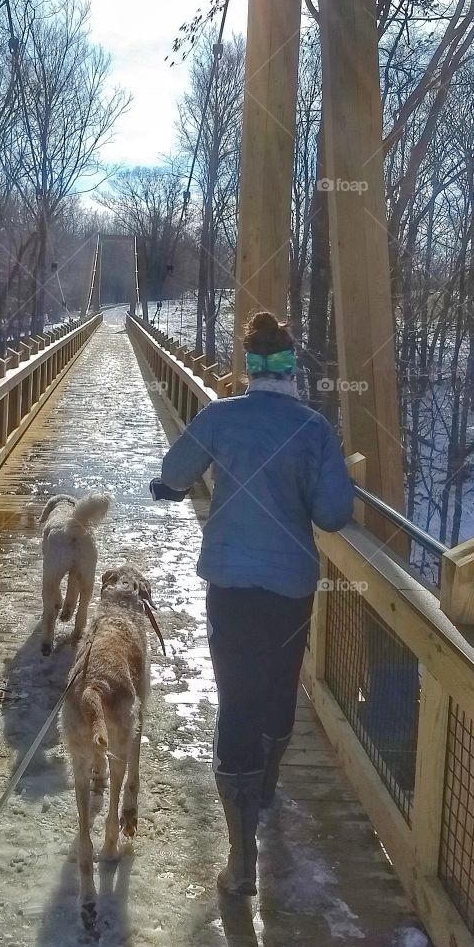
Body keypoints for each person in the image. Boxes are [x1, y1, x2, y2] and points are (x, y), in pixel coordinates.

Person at [149, 311, 355, 897]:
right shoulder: (313, 429)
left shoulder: (220, 417)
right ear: (291, 372)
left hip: (231, 585)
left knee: (236, 698)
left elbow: (173, 471)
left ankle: (241, 864)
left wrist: (186, 480)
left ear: (249, 369)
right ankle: (265, 789)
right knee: (279, 686)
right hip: (290, 586)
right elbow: (334, 515)